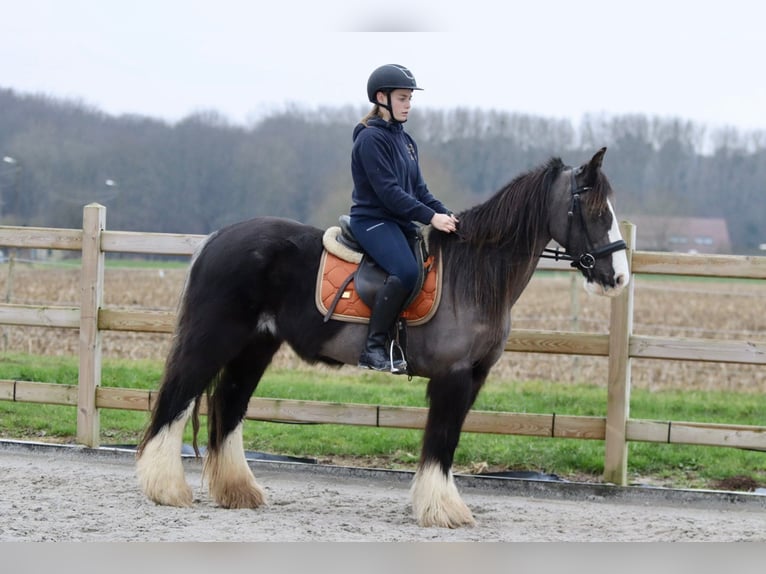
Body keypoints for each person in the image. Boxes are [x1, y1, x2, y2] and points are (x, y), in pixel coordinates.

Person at [349, 64, 459, 374]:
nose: (408, 104)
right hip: (372, 220)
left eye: (410, 98)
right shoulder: (370, 140)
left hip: (398, 222)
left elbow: (420, 191)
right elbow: (390, 194)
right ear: (381, 98)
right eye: (402, 98)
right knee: (407, 272)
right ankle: (372, 349)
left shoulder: (407, 141)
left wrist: (447, 214)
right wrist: (430, 218)